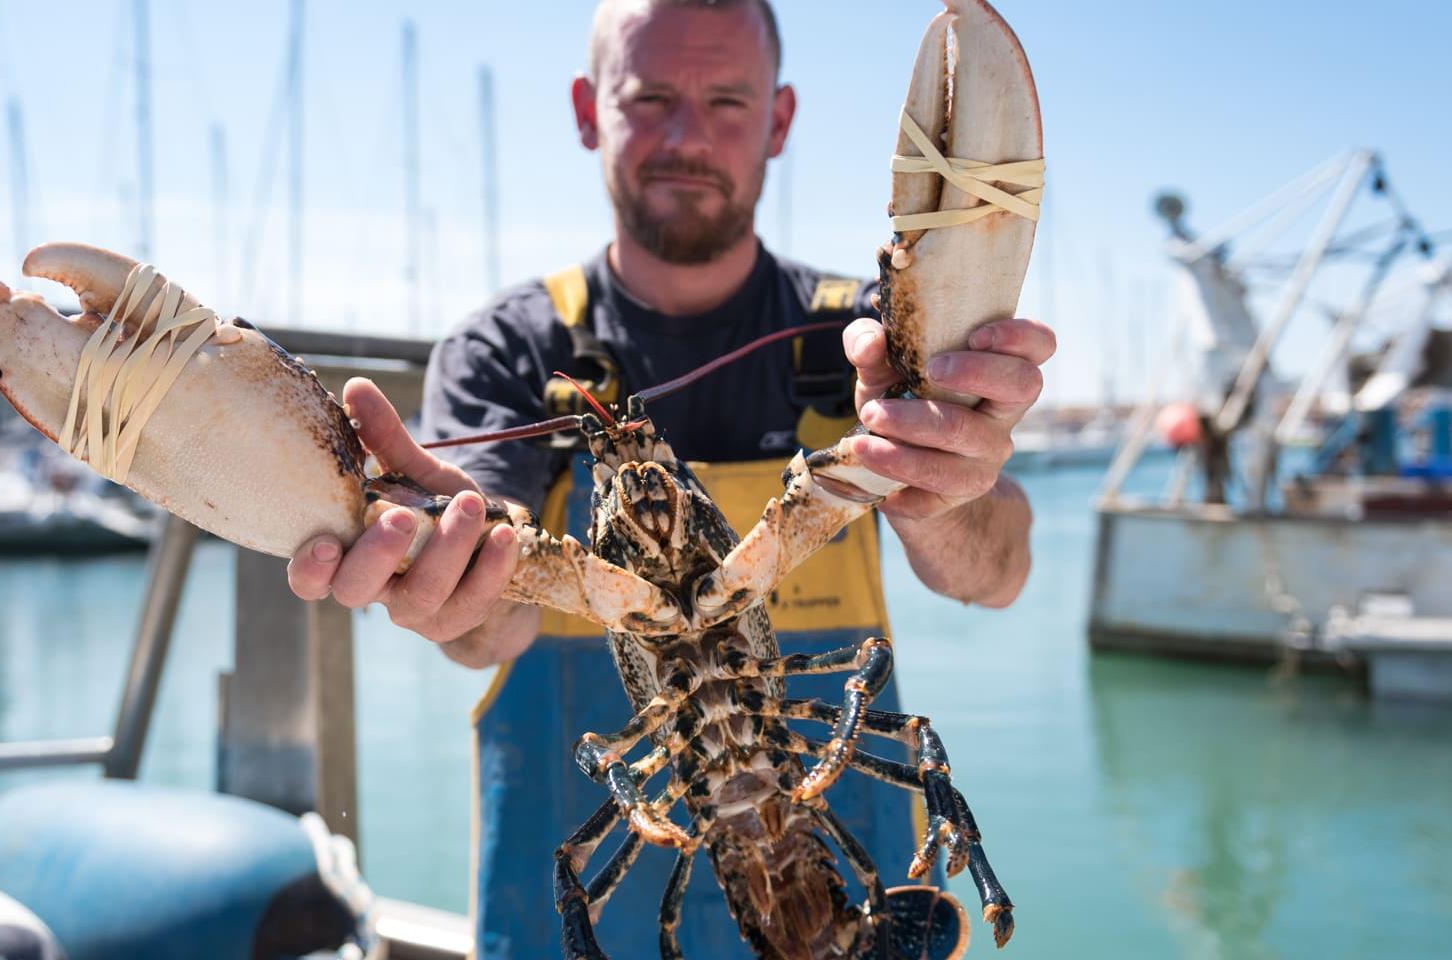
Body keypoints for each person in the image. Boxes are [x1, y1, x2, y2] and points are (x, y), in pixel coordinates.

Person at [286, 0, 1054, 955]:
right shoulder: (505, 353)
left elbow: (1001, 570)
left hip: (852, 890)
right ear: (587, 109)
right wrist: (452, 578)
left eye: (727, 99)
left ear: (778, 120)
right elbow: (489, 623)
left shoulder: (865, 344)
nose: (688, 134)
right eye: (651, 97)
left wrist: (939, 479)